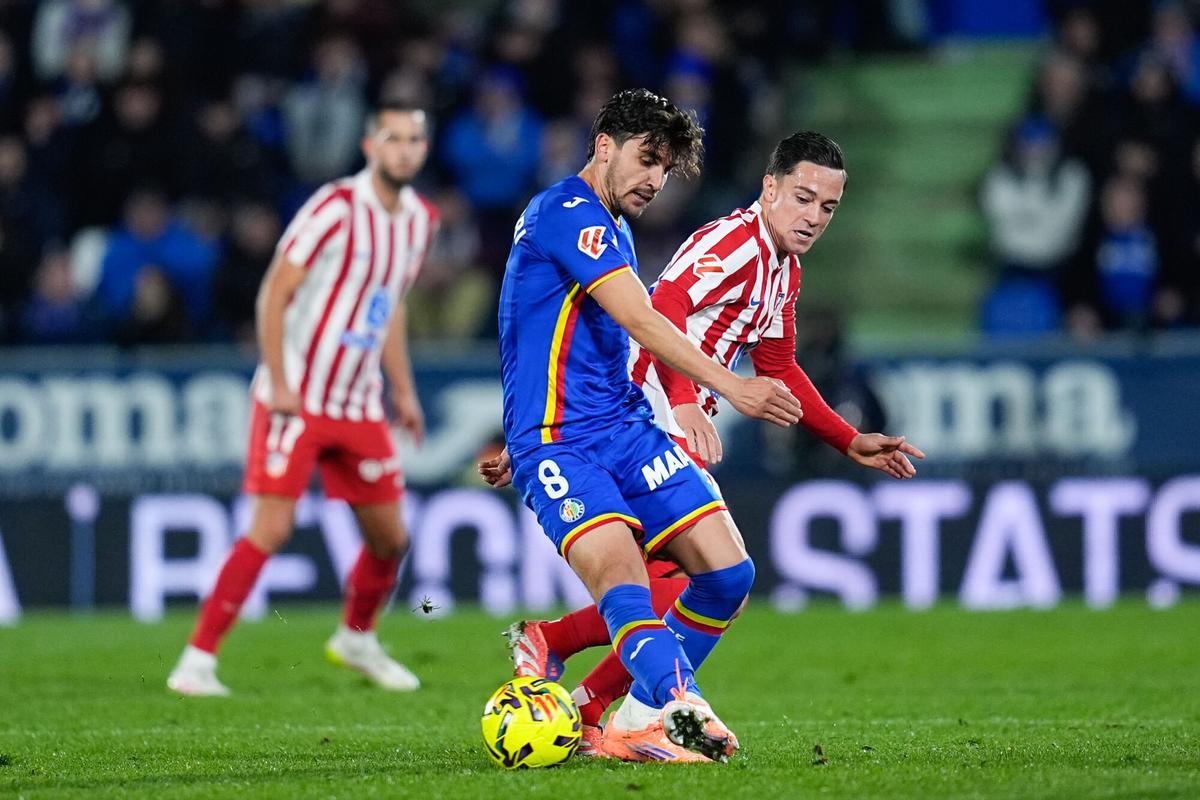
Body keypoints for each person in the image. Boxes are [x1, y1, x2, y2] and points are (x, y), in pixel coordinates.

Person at [483, 130, 925, 757]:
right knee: (671, 585)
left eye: (827, 208)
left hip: (652, 419)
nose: (813, 218)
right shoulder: (734, 244)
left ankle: (586, 684)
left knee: (711, 583)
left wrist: (847, 439)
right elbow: (659, 305)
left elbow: (780, 366)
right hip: (651, 414)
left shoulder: (782, 269)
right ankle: (623, 702)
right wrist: (689, 400)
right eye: (802, 199)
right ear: (769, 188)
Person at [482, 88, 803, 764]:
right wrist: (730, 384)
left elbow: (570, 338)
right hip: (562, 444)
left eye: (665, 168)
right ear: (604, 146)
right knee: (623, 577)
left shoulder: (614, 227)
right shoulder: (565, 213)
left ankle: (624, 721)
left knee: (727, 574)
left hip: (624, 428)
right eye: (646, 159)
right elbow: (643, 320)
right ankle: (678, 703)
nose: (655, 180)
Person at [167, 102, 438, 697]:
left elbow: (387, 307)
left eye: (415, 139)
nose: (405, 149)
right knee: (271, 528)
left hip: (359, 403)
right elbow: (274, 292)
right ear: (370, 145)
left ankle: (356, 638)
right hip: (298, 398)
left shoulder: (419, 220)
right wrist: (281, 381)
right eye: (394, 138)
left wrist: (404, 389)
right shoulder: (335, 208)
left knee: (391, 538)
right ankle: (196, 660)